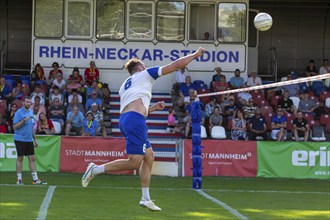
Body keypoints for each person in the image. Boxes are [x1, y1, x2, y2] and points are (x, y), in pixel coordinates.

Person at [81, 47, 205, 211]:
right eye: (144, 65)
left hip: (128, 119)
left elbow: (136, 108)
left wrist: (153, 108)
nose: (146, 67)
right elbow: (175, 65)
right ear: (138, 68)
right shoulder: (145, 74)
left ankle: (146, 198)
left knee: (149, 156)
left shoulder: (125, 85)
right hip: (134, 120)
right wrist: (195, 55)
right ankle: (95, 169)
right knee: (134, 162)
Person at [12, 96, 47, 185]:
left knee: (32, 158)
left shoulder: (31, 112)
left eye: (29, 102)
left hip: (28, 139)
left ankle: (35, 179)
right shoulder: (18, 113)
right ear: (23, 103)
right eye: (27, 102)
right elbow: (15, 127)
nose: (28, 104)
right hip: (20, 138)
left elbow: (31, 127)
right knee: (20, 158)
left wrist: (35, 139)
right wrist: (24, 120)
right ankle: (19, 179)